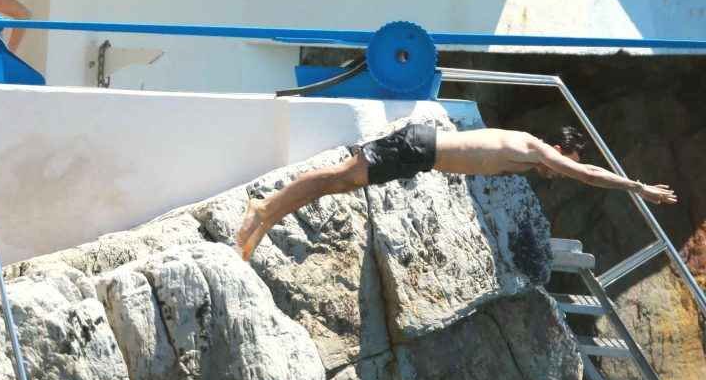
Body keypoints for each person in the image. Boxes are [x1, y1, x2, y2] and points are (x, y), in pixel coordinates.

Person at [235, 124, 677, 260]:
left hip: (420, 154)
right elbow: (590, 176)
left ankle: (268, 214)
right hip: (417, 146)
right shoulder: (534, 148)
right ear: (563, 150)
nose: (561, 174)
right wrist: (639, 188)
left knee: (338, 183)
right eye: (567, 162)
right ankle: (264, 211)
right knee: (338, 178)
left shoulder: (523, 151)